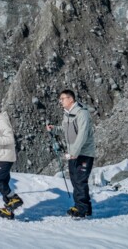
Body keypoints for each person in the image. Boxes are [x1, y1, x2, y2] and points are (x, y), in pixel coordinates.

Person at [46, 90, 95, 218]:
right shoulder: (67, 114)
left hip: (83, 153)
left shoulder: (81, 113)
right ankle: (85, 207)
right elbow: (65, 129)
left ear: (71, 99)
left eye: (62, 98)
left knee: (80, 180)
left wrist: (74, 152)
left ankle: (81, 209)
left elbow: (83, 134)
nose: (60, 101)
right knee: (75, 179)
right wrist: (55, 129)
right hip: (72, 153)